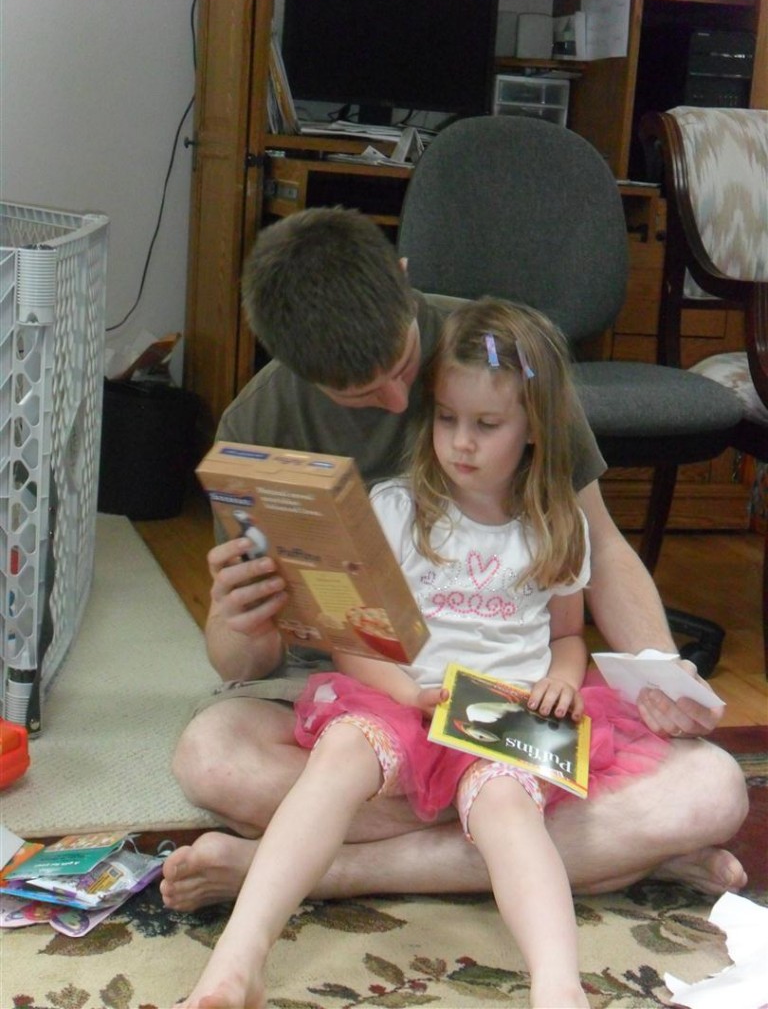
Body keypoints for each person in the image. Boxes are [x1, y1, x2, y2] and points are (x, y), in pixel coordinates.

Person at [161, 207, 747, 918]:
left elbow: (600, 543)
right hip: (365, 709)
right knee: (211, 753)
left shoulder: (499, 356)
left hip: (500, 706)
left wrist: (659, 668)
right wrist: (235, 619)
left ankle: (316, 868)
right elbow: (242, 665)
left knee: (713, 788)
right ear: (294, 366)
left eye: (405, 367)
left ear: (404, 282)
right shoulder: (259, 424)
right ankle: (590, 853)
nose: (400, 402)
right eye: (361, 395)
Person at [177, 299, 672, 1009]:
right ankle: (236, 962)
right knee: (335, 753)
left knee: (515, 805)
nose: (461, 443)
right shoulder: (398, 509)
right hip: (406, 700)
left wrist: (566, 682)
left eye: (486, 425)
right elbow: (357, 634)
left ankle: (558, 987)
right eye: (446, 420)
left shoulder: (558, 523)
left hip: (504, 717)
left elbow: (568, 634)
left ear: (535, 428)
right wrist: (406, 695)